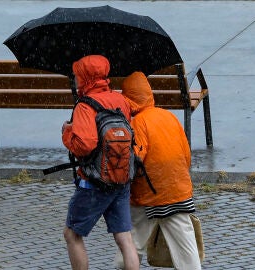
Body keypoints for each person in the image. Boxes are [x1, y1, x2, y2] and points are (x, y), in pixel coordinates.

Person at [115, 71, 202, 270]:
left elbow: (135, 161)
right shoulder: (169, 116)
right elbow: (186, 155)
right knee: (186, 249)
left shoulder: (137, 123)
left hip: (148, 195)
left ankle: (124, 265)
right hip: (178, 192)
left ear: (128, 99)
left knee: (132, 242)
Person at [61, 55, 139, 270]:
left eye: (77, 75)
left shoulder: (85, 106)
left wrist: (67, 133)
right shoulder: (120, 100)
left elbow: (84, 145)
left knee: (72, 234)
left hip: (94, 183)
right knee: (124, 238)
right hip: (121, 178)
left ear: (85, 78)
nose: (75, 79)